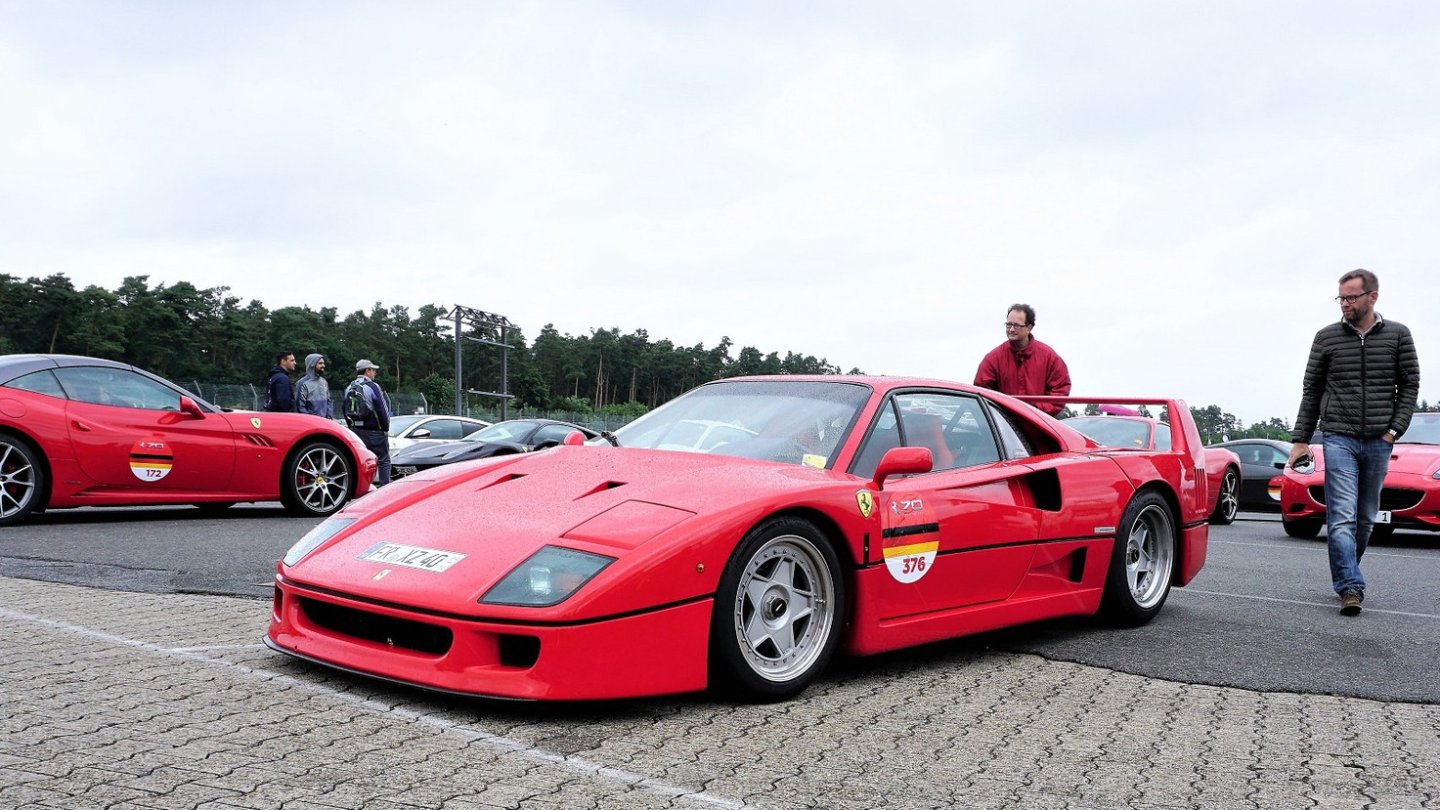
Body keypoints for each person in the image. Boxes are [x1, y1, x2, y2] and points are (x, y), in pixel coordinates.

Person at [1288, 269, 1419, 616]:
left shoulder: (1398, 335)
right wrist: (1301, 439)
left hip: (1379, 439)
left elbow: (1410, 386)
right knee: (1342, 515)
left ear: (1372, 296)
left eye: (1351, 298)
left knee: (1365, 517)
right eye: (1341, 298)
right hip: (1338, 436)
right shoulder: (1326, 338)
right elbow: (1311, 391)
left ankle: (1348, 567)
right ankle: (1350, 585)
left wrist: (1395, 430)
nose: (1344, 304)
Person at [973, 304, 1071, 415]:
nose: (1011, 329)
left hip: (1039, 424)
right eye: (1008, 325)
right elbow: (981, 391)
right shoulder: (993, 358)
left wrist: (1034, 411)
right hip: (1006, 425)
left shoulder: (1049, 357)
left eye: (1016, 326)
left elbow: (1060, 391)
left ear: (1029, 328)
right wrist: (1002, 412)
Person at [346, 359, 393, 486]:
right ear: (367, 371)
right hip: (374, 431)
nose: (375, 373)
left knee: (362, 461)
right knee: (383, 460)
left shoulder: (349, 387)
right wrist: (385, 428)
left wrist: (351, 427)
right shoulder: (373, 386)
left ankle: (362, 487)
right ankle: (384, 489)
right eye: (373, 370)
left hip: (355, 430)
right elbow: (382, 409)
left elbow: (344, 409)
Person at [295, 354, 331, 418]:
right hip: (310, 424)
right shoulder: (302, 383)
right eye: (320, 363)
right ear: (312, 365)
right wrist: (310, 420)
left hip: (325, 423)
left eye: (323, 363)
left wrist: (329, 417)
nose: (323, 365)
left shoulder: (324, 382)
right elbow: (300, 406)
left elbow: (328, 402)